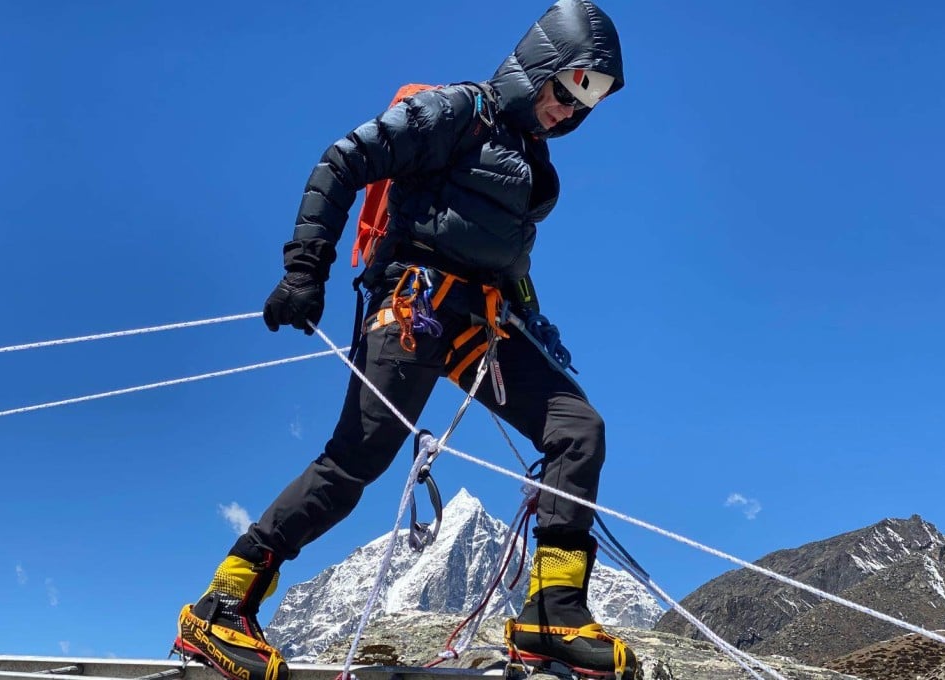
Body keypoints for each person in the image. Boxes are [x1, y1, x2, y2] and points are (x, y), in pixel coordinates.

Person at [174, 1, 635, 679]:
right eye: (567, 87)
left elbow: (509, 268)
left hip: (483, 323)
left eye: (586, 100)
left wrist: (537, 329)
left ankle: (551, 615)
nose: (571, 108)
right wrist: (306, 270)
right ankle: (222, 605)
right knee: (355, 462)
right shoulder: (459, 111)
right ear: (541, 64)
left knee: (577, 430)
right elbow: (343, 160)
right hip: (413, 306)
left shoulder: (530, 163)